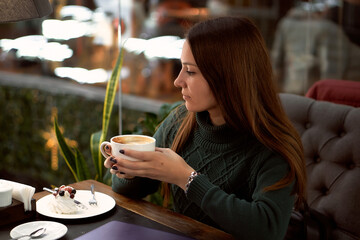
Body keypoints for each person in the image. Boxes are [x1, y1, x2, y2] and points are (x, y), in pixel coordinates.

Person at [104, 16, 307, 239]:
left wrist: (187, 179)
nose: (178, 81)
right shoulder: (181, 121)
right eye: (181, 68)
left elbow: (268, 230)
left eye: (190, 71)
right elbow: (126, 190)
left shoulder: (272, 147)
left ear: (228, 77)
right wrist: (127, 169)